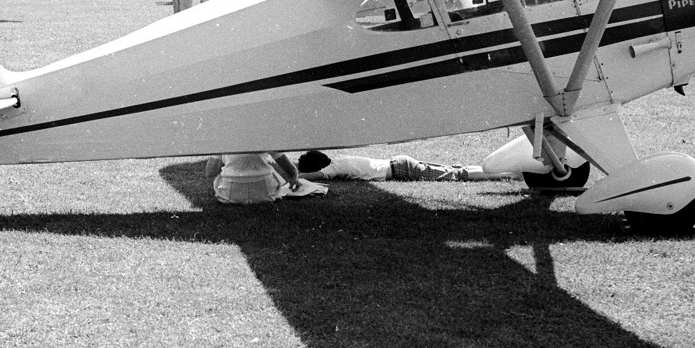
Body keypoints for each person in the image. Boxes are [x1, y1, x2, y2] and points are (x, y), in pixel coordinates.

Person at [297, 150, 495, 182]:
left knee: (454, 175)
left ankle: (500, 173)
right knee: (451, 171)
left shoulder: (333, 169)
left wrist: (292, 177)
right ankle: (494, 169)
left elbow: (315, 177)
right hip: (399, 162)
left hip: (401, 169)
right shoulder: (339, 160)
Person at [205, 153, 303, 204]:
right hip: (266, 194)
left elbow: (210, 172)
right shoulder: (264, 132)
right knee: (272, 172)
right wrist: (294, 177)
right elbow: (290, 170)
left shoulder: (224, 135)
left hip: (229, 195)